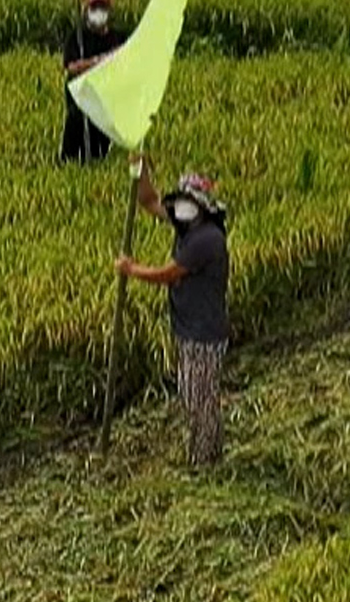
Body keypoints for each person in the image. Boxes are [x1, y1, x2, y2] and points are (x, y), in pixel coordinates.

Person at [116, 158, 231, 468]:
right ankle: (206, 452)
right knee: (192, 392)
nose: (180, 207)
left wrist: (131, 269)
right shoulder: (186, 223)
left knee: (199, 399)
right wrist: (139, 171)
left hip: (204, 333)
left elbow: (168, 274)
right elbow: (149, 200)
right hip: (189, 326)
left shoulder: (206, 239)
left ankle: (206, 460)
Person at [61, 0, 123, 163]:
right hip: (80, 96)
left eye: (102, 8)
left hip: (105, 97)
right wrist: (99, 61)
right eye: (94, 8)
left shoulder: (117, 38)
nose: (98, 12)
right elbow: (71, 67)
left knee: (100, 144)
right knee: (76, 127)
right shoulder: (77, 37)